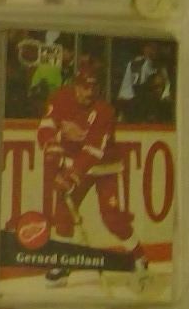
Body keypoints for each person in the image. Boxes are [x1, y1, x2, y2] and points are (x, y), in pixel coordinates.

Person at [37, 65, 150, 284]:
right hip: (76, 164)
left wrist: (70, 176)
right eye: (84, 87)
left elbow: (93, 151)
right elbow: (46, 126)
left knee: (112, 218)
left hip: (105, 167)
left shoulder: (104, 111)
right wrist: (52, 151)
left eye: (93, 88)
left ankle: (139, 257)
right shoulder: (60, 97)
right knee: (63, 214)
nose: (89, 92)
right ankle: (64, 263)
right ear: (75, 85)